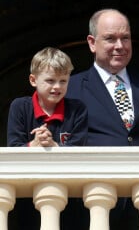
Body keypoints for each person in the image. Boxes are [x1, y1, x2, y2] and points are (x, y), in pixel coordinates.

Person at [66, 8, 139, 229]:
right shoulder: (69, 89)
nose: (120, 46)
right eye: (110, 38)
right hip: (91, 205)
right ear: (92, 43)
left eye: (125, 38)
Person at [7, 47, 88, 230]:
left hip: (70, 197)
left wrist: (54, 146)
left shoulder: (77, 109)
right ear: (33, 80)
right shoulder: (20, 107)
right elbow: (13, 149)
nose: (57, 87)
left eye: (63, 81)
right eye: (50, 80)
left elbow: (80, 151)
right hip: (29, 196)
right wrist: (33, 145)